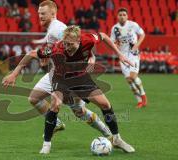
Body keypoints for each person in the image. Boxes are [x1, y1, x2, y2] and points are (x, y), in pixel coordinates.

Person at [2, 0, 112, 141]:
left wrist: (91, 57)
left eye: (43, 13)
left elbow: (77, 45)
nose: (40, 16)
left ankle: (108, 134)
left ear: (53, 13)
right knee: (34, 98)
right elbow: (55, 48)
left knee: (79, 111)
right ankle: (57, 123)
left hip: (71, 77)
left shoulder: (57, 29)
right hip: (57, 73)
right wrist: (47, 58)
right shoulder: (52, 29)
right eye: (39, 13)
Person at [38, 25, 135, 154]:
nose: (66, 46)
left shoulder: (88, 40)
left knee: (105, 104)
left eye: (70, 44)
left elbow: (104, 36)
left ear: (79, 41)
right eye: (65, 43)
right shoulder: (56, 48)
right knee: (55, 104)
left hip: (80, 76)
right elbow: (38, 53)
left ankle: (117, 139)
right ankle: (46, 145)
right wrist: (42, 59)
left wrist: (119, 54)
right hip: (60, 77)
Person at [111, 8, 147, 108]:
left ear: (127, 16)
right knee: (129, 80)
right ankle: (139, 101)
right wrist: (116, 46)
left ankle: (143, 96)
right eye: (120, 15)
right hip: (122, 56)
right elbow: (112, 41)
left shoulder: (133, 25)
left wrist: (137, 45)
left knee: (133, 76)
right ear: (117, 16)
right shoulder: (115, 28)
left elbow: (142, 34)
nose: (122, 16)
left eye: (124, 15)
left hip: (133, 54)